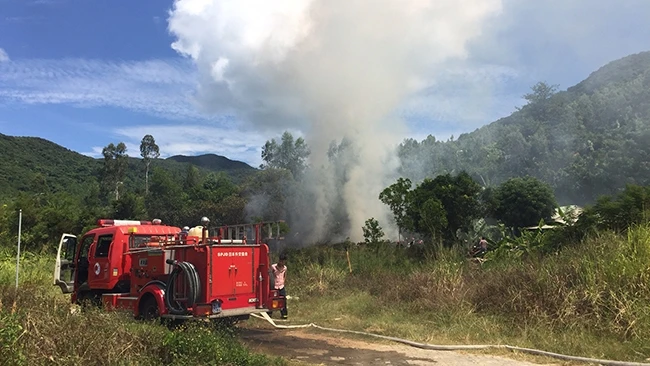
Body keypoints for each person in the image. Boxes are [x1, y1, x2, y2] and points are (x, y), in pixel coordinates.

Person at [271, 253, 288, 319]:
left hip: (281, 286)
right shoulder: (273, 267)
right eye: (281, 261)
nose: (282, 263)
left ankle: (284, 315)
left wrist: (283, 282)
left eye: (284, 261)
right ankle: (270, 314)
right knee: (273, 300)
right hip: (274, 286)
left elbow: (285, 276)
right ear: (279, 260)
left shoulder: (285, 268)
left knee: (283, 300)